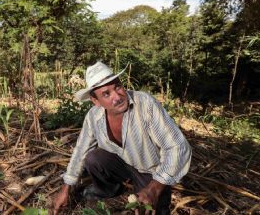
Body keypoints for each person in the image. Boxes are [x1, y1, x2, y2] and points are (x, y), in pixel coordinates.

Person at [52, 62, 191, 214]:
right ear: (95, 101)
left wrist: (154, 189)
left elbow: (178, 146)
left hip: (149, 171)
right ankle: (109, 189)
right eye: (106, 94)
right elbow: (81, 150)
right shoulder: (93, 116)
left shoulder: (145, 104)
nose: (117, 97)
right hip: (121, 164)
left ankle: (149, 190)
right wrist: (66, 188)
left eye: (118, 87)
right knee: (93, 158)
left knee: (151, 209)